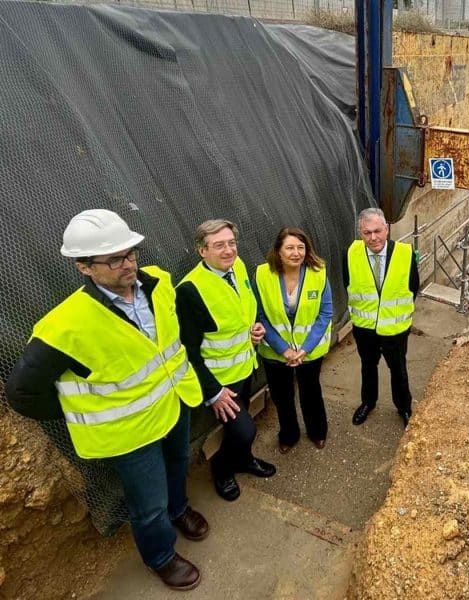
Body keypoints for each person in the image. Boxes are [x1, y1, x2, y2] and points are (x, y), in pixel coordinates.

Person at [5, 209, 208, 591]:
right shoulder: (66, 326)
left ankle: (179, 509)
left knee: (179, 464)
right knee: (147, 504)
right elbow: (22, 393)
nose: (127, 264)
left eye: (130, 253)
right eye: (113, 259)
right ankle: (161, 557)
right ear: (83, 267)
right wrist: (80, 408)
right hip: (129, 433)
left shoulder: (160, 284)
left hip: (174, 404)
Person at [176, 220, 277, 502]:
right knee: (245, 430)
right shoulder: (190, 290)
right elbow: (188, 351)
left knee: (242, 431)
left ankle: (244, 461)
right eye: (219, 245)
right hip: (221, 381)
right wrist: (214, 392)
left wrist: (255, 326)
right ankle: (221, 469)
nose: (228, 250)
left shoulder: (238, 266)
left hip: (245, 367)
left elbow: (242, 308)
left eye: (231, 243)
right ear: (202, 251)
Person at [254, 227, 332, 453]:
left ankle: (317, 431)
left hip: (309, 351)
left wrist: (305, 349)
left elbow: (325, 314)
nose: (296, 253)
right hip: (275, 352)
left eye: (300, 247)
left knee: (311, 391)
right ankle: (289, 434)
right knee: (282, 396)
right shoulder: (262, 275)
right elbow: (258, 315)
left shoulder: (318, 273)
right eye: (289, 247)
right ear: (278, 251)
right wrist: (283, 349)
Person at [345, 207, 419, 429]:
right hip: (364, 327)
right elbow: (347, 284)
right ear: (360, 232)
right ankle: (368, 402)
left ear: (386, 229)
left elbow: (413, 287)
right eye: (367, 233)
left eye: (377, 231)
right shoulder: (350, 253)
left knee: (398, 370)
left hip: (395, 329)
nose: (373, 238)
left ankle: (404, 407)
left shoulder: (405, 253)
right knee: (368, 366)